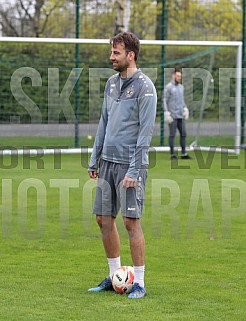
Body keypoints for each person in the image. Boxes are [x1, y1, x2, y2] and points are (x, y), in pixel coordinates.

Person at [87, 32, 157, 299]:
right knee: (103, 219)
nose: (111, 57)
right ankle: (115, 275)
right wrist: (95, 158)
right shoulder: (111, 84)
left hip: (130, 164)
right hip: (107, 162)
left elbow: (145, 133)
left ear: (131, 55)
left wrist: (134, 170)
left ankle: (138, 282)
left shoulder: (145, 87)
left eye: (116, 53)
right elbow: (104, 122)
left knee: (130, 222)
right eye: (111, 52)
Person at [163, 69, 192, 160]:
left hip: (180, 115)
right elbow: (164, 100)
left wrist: (185, 108)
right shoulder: (168, 87)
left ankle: (184, 153)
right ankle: (173, 154)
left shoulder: (181, 87)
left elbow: (182, 100)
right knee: (172, 134)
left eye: (180, 76)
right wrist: (166, 112)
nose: (179, 78)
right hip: (172, 115)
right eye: (178, 76)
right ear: (173, 75)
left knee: (183, 133)